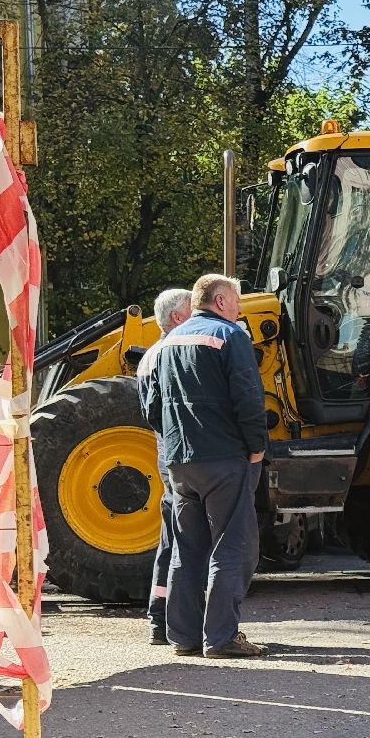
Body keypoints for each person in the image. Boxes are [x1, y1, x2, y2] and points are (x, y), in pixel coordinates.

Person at [140, 274, 269, 659]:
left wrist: (177, 446)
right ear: (222, 300)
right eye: (237, 300)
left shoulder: (165, 345)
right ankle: (222, 637)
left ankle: (183, 637)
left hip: (179, 461)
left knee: (187, 548)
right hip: (225, 458)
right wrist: (257, 448)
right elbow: (248, 395)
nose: (241, 308)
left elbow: (153, 407)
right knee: (233, 546)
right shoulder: (231, 336)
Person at [136, 287, 193, 644]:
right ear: (177, 318)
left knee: (171, 534)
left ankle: (160, 618)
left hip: (168, 450)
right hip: (179, 452)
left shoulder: (151, 356)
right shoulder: (169, 355)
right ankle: (168, 620)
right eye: (193, 311)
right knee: (181, 535)